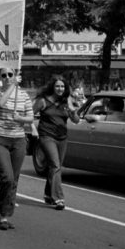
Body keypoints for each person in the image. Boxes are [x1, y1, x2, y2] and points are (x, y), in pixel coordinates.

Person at [0, 67, 34, 230]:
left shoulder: (24, 95)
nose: (7, 77)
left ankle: (5, 216)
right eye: (4, 75)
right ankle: (3, 211)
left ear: (15, 75)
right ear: (0, 77)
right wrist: (12, 86)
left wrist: (20, 118)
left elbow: (30, 117)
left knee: (14, 179)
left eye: (10, 75)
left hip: (18, 140)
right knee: (6, 176)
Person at [33, 75, 81, 210]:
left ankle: (48, 194)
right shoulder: (43, 101)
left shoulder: (67, 101)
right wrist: (32, 128)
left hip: (62, 137)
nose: (60, 89)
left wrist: (72, 111)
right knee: (55, 165)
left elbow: (76, 120)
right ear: (52, 87)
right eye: (57, 86)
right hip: (46, 136)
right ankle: (58, 198)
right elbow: (29, 114)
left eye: (62, 86)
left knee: (55, 167)